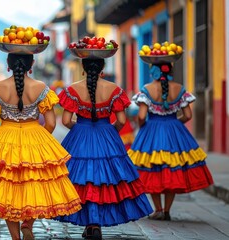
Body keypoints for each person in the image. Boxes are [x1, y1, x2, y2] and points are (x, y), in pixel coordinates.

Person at [0, 53, 82, 240]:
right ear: (31, 65)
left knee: (9, 189)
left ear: (8, 66)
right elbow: (50, 123)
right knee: (32, 184)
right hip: (34, 136)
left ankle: (15, 237)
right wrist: (38, 142)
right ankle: (28, 224)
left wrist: (0, 142)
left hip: (5, 136)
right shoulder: (41, 87)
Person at [55, 58, 153, 240]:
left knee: (82, 180)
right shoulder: (114, 90)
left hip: (80, 137)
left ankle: (89, 223)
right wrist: (109, 132)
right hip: (106, 134)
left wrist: (80, 130)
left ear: (83, 70)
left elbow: (66, 121)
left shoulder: (72, 90)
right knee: (104, 180)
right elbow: (122, 121)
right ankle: (96, 224)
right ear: (102, 70)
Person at [128, 62, 214, 221]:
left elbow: (141, 116)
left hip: (151, 131)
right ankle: (167, 211)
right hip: (174, 132)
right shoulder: (180, 89)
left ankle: (158, 209)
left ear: (153, 71)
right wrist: (174, 124)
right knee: (173, 168)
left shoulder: (147, 89)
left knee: (152, 167)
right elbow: (188, 116)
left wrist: (143, 126)